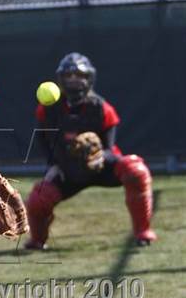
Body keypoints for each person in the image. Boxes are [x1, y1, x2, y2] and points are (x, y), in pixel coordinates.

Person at [25, 52, 157, 250]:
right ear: (61, 79)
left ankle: (143, 232)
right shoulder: (48, 109)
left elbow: (110, 148)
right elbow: (42, 139)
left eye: (79, 76)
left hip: (101, 167)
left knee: (135, 170)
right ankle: (37, 241)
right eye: (69, 76)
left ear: (89, 79)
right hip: (68, 170)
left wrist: (101, 157)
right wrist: (52, 165)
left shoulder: (102, 108)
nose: (74, 80)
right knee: (38, 199)